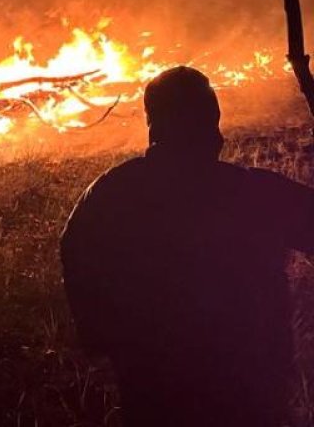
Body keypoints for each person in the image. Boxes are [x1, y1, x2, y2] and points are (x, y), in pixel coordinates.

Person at [60, 65, 314, 427]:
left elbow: (76, 256)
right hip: (247, 379)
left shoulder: (110, 193)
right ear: (212, 123)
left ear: (152, 124)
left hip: (151, 379)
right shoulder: (250, 193)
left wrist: (100, 335)